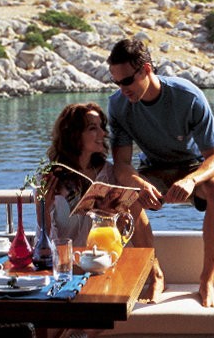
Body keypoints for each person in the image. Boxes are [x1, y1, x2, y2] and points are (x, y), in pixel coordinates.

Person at [106, 38, 214, 308]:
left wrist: (192, 180)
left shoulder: (188, 96)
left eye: (127, 81)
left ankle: (207, 280)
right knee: (127, 192)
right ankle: (155, 274)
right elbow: (122, 165)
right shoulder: (118, 105)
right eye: (116, 83)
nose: (122, 90)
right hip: (153, 168)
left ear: (146, 70)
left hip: (192, 167)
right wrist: (138, 183)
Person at [41, 101, 165, 300]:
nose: (103, 133)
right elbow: (43, 241)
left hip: (104, 261)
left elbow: (127, 219)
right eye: (93, 128)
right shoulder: (52, 178)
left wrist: (117, 218)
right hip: (70, 264)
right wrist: (43, 208)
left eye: (102, 127)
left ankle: (155, 273)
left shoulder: (110, 173)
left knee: (133, 200)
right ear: (74, 134)